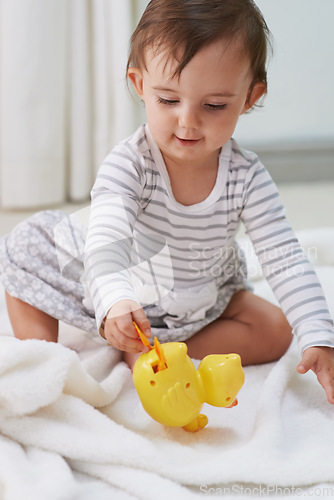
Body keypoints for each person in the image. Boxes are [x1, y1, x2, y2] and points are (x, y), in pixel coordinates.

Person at [1, 0, 334, 403]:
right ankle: (45, 359)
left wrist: (318, 332)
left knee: (277, 329)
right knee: (25, 249)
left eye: (214, 106)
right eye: (169, 100)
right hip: (114, 281)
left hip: (195, 294)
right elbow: (107, 241)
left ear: (250, 97)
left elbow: (283, 255)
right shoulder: (131, 163)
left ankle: (154, 352)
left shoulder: (246, 176)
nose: (188, 121)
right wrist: (114, 302)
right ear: (140, 85)